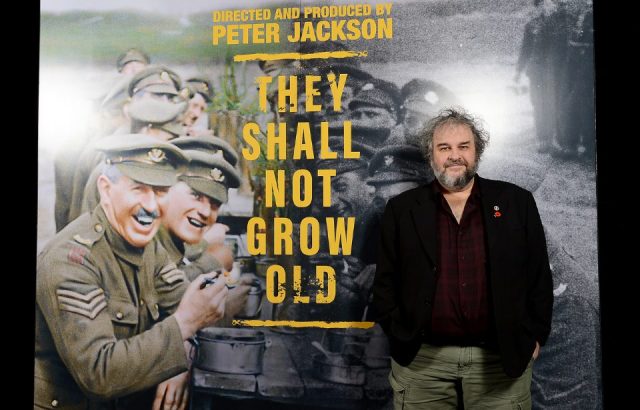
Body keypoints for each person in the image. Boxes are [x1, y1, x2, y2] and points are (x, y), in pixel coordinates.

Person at [370, 107, 553, 409]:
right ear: (431, 156)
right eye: (444, 148)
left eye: (463, 147)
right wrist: (401, 335)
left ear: (477, 152)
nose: (454, 156)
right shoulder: (401, 210)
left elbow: (538, 278)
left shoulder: (515, 202)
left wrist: (534, 337)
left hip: (499, 361)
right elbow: (385, 283)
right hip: (423, 364)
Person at [35, 134, 230, 409]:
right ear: (106, 189)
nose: (151, 206)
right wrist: (183, 326)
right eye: (138, 188)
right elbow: (99, 374)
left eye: (161, 191)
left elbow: (192, 306)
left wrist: (183, 352)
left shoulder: (145, 244)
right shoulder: (71, 261)